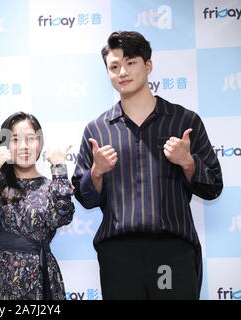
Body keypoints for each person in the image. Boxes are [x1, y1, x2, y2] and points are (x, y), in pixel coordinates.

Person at [72, 31, 223, 300]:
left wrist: (188, 162)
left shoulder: (184, 121)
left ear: (148, 65)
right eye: (114, 67)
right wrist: (96, 172)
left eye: (131, 63)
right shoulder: (97, 130)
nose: (123, 72)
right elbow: (85, 199)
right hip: (119, 255)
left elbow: (213, 186)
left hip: (172, 251)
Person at [0, 111, 75, 300]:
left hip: (40, 276)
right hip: (1, 278)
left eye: (30, 139)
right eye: (15, 140)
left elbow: (60, 217)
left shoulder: (50, 187)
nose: (24, 146)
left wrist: (59, 170)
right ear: (5, 145)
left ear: (40, 143)